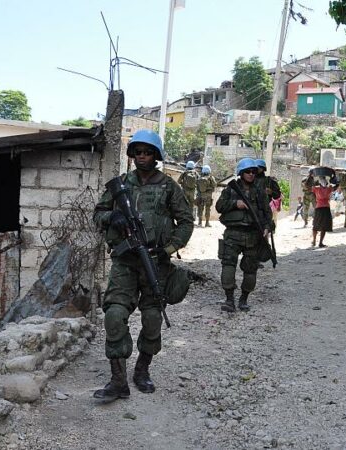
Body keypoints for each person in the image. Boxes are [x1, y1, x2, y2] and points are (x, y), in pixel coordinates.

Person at [92, 129, 194, 402]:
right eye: (137, 152)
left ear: (156, 156)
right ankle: (117, 381)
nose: (142, 157)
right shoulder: (122, 184)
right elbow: (98, 213)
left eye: (147, 152)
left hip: (155, 262)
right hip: (125, 262)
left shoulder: (169, 187)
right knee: (114, 315)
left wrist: (169, 248)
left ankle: (142, 370)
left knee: (151, 319)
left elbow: (186, 222)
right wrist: (114, 217)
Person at [215, 158, 273, 313]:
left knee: (250, 269)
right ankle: (229, 299)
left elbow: (267, 213)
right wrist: (235, 204)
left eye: (254, 171)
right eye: (248, 171)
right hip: (233, 233)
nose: (251, 174)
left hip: (253, 235)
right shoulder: (231, 189)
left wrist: (267, 227)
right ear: (241, 173)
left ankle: (244, 299)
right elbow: (219, 206)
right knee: (228, 266)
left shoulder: (259, 191)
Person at [255, 159, 282, 227]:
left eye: (259, 167)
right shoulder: (250, 180)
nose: (257, 169)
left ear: (263, 169)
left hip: (265, 211)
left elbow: (277, 195)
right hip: (252, 210)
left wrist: (271, 192)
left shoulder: (269, 181)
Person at [312, 175, 336, 247]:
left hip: (318, 208)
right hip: (326, 208)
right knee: (324, 226)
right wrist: (333, 178)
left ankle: (314, 241)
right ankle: (320, 242)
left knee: (315, 225)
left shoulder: (316, 189)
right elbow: (336, 186)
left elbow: (310, 186)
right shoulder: (329, 189)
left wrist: (311, 177)